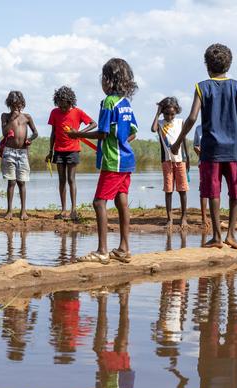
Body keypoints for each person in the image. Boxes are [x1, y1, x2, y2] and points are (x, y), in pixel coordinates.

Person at [171, 43, 237, 249]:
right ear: (229, 64)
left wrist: (177, 143)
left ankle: (218, 237)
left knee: (214, 193)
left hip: (211, 151)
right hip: (234, 150)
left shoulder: (202, 87)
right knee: (235, 192)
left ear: (207, 65)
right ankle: (231, 236)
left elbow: (192, 118)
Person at [68, 58, 138, 264]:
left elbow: (103, 132)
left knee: (99, 202)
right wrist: (120, 141)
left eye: (103, 78)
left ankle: (102, 251)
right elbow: (133, 133)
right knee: (121, 200)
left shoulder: (109, 102)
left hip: (113, 161)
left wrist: (77, 135)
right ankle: (124, 249)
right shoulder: (126, 103)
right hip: (127, 159)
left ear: (108, 80)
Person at [46, 86, 97, 222]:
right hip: (58, 150)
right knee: (61, 180)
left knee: (71, 179)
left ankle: (73, 210)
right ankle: (63, 210)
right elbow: (53, 133)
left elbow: (93, 124)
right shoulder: (54, 112)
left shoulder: (77, 112)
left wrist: (80, 133)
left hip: (73, 149)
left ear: (70, 102)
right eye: (60, 106)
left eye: (65, 106)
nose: (62, 109)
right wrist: (50, 151)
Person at [151, 96, 190, 230]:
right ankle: (170, 219)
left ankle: (183, 217)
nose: (169, 116)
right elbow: (153, 128)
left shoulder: (180, 122)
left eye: (172, 114)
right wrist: (158, 112)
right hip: (167, 161)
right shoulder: (160, 124)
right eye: (166, 113)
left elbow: (184, 141)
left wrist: (188, 158)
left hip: (180, 160)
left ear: (176, 112)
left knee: (182, 190)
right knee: (168, 190)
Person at [1, 90, 38, 220]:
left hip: (22, 152)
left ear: (22, 104)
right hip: (9, 152)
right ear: (9, 105)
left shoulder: (27, 117)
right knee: (11, 182)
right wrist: (12, 118)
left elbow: (35, 133)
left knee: (22, 182)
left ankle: (23, 211)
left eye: (18, 105)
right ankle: (10, 211)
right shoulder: (5, 116)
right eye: (13, 105)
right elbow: (5, 132)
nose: (16, 108)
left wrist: (30, 139)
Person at [192, 124, 210, 230]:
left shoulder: (218, 124)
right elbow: (195, 145)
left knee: (215, 188)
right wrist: (200, 152)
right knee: (203, 189)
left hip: (217, 160)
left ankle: (214, 216)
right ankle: (204, 217)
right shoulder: (199, 128)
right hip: (203, 161)